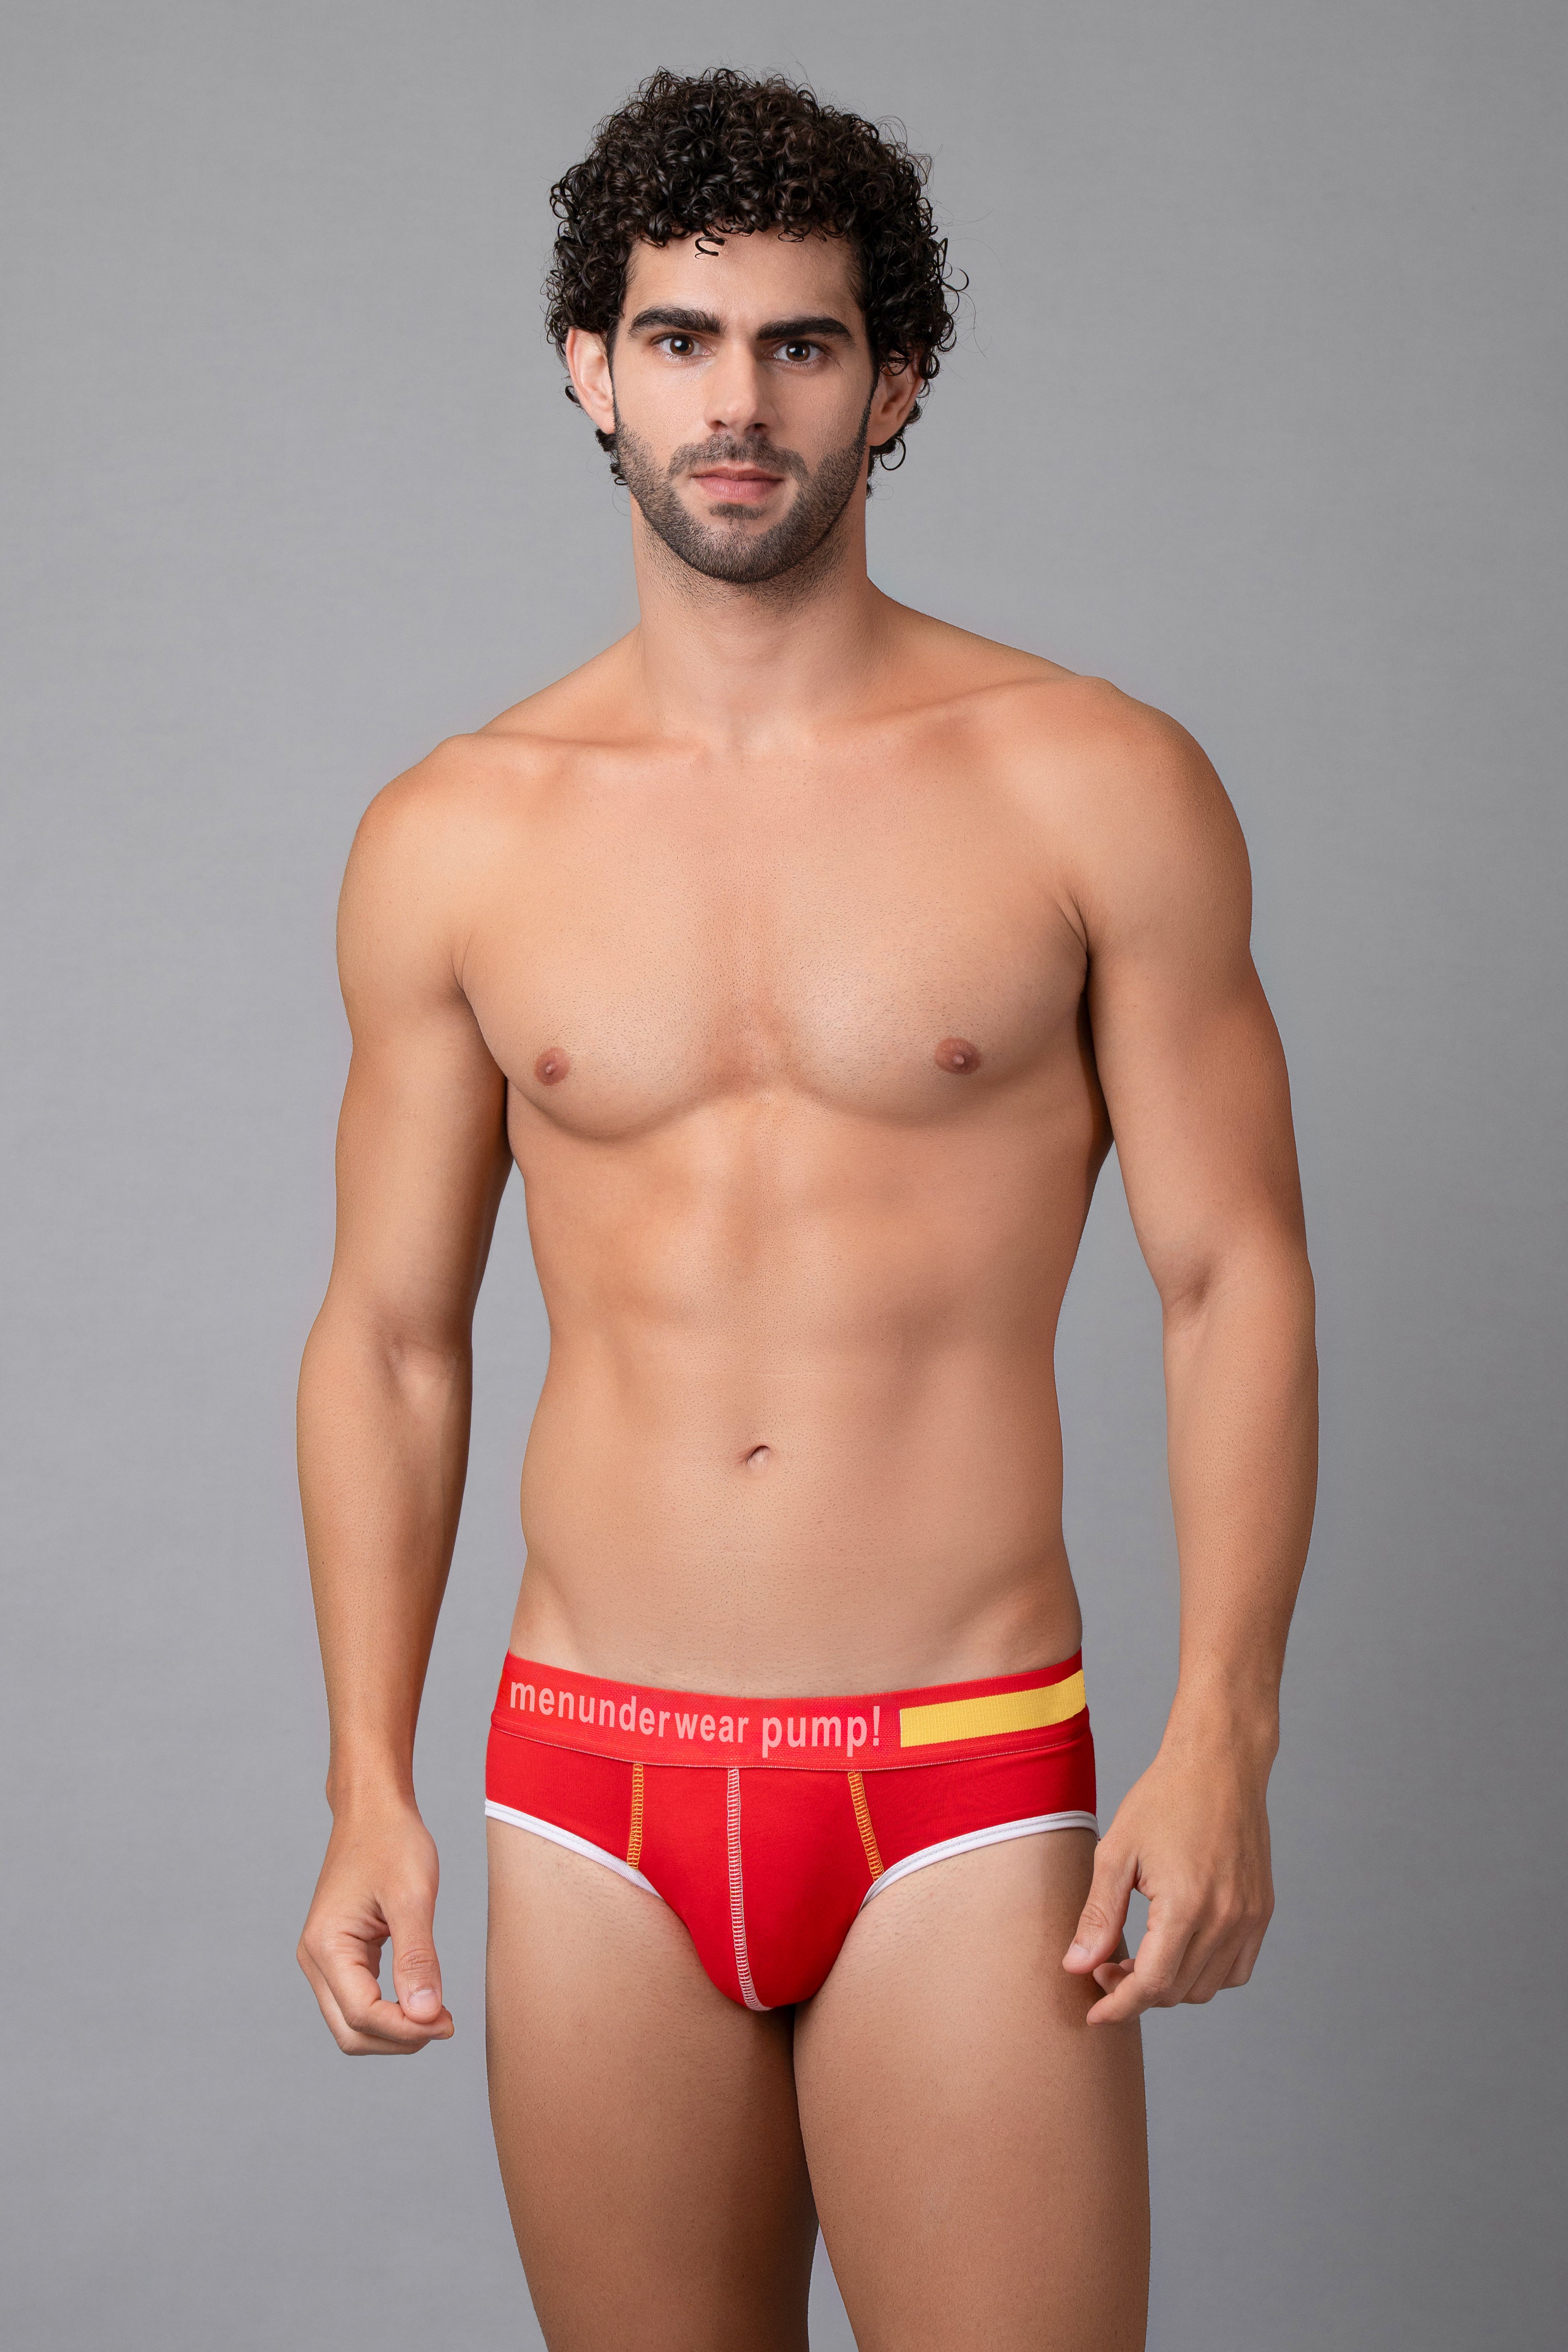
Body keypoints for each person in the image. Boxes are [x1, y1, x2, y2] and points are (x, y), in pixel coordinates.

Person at [296, 67, 1317, 2352]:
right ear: (592, 368)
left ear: (897, 380)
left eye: (800, 344)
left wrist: (1225, 1731)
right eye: (680, 339)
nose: (736, 404)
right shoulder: (456, 833)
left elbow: (1232, 1271)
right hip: (588, 1783)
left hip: (960, 1775)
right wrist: (367, 1779)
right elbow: (392, 1337)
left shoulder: (1091, 782)